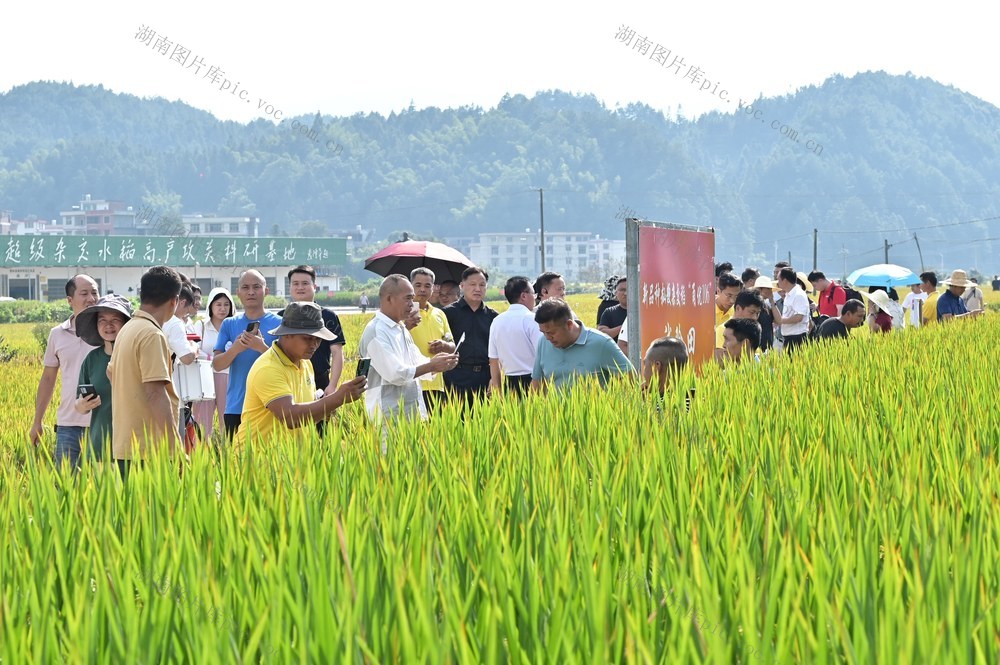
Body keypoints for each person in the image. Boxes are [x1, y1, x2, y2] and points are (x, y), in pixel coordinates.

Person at [238, 302, 367, 446]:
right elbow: (290, 417)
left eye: (318, 339)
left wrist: (327, 408)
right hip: (255, 460)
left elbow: (306, 411)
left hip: (290, 459)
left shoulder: (305, 363)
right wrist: (338, 398)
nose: (314, 345)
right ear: (286, 334)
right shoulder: (268, 368)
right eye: (308, 338)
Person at [359, 276, 458, 449]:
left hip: (410, 414)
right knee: (391, 470)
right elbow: (395, 374)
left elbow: (418, 362)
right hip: (387, 417)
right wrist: (432, 365)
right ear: (389, 298)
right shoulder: (376, 331)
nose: (412, 304)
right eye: (408, 298)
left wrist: (441, 364)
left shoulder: (401, 329)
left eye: (412, 298)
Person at [108, 266, 183, 476]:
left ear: (142, 295)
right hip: (149, 450)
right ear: (174, 301)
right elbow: (155, 393)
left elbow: (110, 373)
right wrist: (175, 445)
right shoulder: (151, 334)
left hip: (125, 444)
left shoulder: (128, 329)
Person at [29, 274, 99, 467]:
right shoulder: (57, 334)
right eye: (84, 293)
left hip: (103, 423)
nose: (91, 298)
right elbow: (48, 379)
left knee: (104, 490)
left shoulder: (109, 331)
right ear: (70, 300)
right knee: (66, 488)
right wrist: (37, 421)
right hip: (68, 425)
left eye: (94, 292)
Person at [212, 270, 283, 441]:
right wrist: (236, 349)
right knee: (235, 463)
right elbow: (217, 364)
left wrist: (261, 347)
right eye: (245, 287)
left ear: (266, 291)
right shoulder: (229, 324)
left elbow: (286, 364)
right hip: (236, 407)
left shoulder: (280, 323)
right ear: (238, 293)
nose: (251, 292)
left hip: (270, 405)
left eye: (256, 287)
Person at [73, 295, 132, 463]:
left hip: (133, 446)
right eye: (102, 320)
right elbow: (79, 404)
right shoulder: (92, 359)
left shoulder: (135, 356)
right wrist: (83, 405)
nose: (108, 325)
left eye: (115, 319)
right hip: (100, 446)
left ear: (126, 323)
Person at [531, 299, 634, 391]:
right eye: (543, 332)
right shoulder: (543, 342)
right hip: (556, 411)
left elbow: (631, 379)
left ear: (569, 325)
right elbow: (537, 384)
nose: (548, 337)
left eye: (551, 333)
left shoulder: (601, 343)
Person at [282, 265, 347, 395]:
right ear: (290, 287)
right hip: (288, 380)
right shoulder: (281, 316)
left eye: (305, 283)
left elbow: (337, 353)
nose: (300, 287)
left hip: (320, 381)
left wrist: (333, 385)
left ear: (314, 287)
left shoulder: (328, 316)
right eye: (295, 284)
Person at [443, 267, 499, 403]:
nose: (477, 289)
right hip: (456, 376)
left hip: (485, 377)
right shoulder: (447, 314)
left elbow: (500, 350)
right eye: (472, 284)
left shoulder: (493, 316)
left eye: (482, 285)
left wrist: (495, 378)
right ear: (462, 286)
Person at [408, 267, 456, 411]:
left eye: (427, 286)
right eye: (418, 285)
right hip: (412, 382)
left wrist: (443, 345)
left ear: (433, 288)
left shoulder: (439, 314)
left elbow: (452, 345)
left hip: (437, 383)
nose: (422, 289)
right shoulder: (404, 312)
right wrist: (406, 325)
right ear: (410, 286)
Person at [191, 287, 235, 441]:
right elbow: (194, 349)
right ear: (210, 305)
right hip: (206, 378)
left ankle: (227, 456)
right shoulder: (201, 326)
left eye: (226, 305)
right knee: (202, 422)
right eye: (218, 304)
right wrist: (213, 359)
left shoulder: (234, 327)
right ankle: (201, 457)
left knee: (227, 420)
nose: (222, 308)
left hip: (228, 377)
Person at [488, 276, 543, 397]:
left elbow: (493, 360)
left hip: (509, 384)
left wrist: (498, 392)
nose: (535, 298)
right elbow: (542, 355)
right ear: (524, 296)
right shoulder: (532, 319)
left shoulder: (496, 321)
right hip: (535, 381)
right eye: (533, 294)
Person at [715, 290, 763, 363]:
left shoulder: (753, 330)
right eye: (752, 312)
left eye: (758, 313)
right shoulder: (722, 330)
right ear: (738, 308)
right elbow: (720, 363)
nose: (755, 317)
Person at [772, 267, 810, 352]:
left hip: (797, 338)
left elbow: (799, 317)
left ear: (785, 280)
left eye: (779, 279)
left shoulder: (798, 294)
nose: (777, 282)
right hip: (789, 338)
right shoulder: (789, 294)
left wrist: (781, 321)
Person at [163, 283, 199, 367]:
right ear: (182, 302)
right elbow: (187, 358)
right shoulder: (175, 323)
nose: (185, 314)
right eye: (187, 310)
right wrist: (194, 347)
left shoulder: (157, 317)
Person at [751, 276, 778, 351]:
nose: (770, 291)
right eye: (768, 288)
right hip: (757, 347)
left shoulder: (767, 306)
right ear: (759, 289)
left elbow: (779, 321)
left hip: (768, 347)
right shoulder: (752, 306)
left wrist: (772, 301)